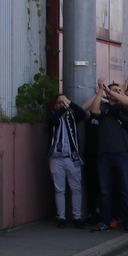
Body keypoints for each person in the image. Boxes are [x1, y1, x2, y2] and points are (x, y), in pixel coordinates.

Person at [88, 78, 128, 233]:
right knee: (105, 190)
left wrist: (112, 91)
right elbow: (94, 111)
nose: (117, 93)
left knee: (124, 189)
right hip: (104, 155)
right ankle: (104, 221)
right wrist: (100, 91)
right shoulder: (104, 108)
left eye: (119, 91)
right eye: (114, 91)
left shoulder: (124, 109)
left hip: (122, 153)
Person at [46, 94, 87, 228]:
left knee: (76, 188)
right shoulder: (53, 117)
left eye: (64, 102)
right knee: (59, 189)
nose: (62, 104)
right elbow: (50, 120)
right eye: (59, 102)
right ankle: (61, 217)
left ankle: (77, 217)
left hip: (72, 158)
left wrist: (70, 104)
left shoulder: (72, 117)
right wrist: (63, 109)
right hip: (56, 158)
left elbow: (82, 113)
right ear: (55, 105)